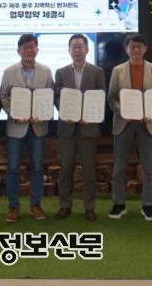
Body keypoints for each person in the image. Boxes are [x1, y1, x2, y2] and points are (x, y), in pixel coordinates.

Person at [107, 32, 152, 222]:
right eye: (132, 46)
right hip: (124, 124)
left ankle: (148, 205)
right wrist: (121, 110)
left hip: (148, 124)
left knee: (148, 168)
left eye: (139, 46)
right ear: (126, 49)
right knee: (119, 168)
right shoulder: (118, 70)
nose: (136, 50)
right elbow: (111, 97)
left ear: (145, 49)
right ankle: (118, 203)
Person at [0, 34, 54, 222]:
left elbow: (50, 95)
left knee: (37, 166)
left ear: (37, 50)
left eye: (32, 47)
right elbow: (3, 96)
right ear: (19, 51)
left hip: (38, 126)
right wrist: (13, 113)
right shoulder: (9, 71)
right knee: (13, 167)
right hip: (16, 126)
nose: (29, 50)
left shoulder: (46, 71)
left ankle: (35, 205)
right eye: (25, 48)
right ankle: (13, 206)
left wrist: (44, 113)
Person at [54, 34, 106, 221]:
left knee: (89, 170)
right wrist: (64, 112)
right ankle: (65, 205)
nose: (77, 50)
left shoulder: (97, 71)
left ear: (87, 49)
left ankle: (89, 207)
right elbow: (56, 97)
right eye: (74, 47)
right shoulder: (61, 72)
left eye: (80, 46)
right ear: (69, 50)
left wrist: (90, 116)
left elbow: (101, 97)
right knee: (65, 169)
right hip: (67, 129)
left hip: (88, 128)